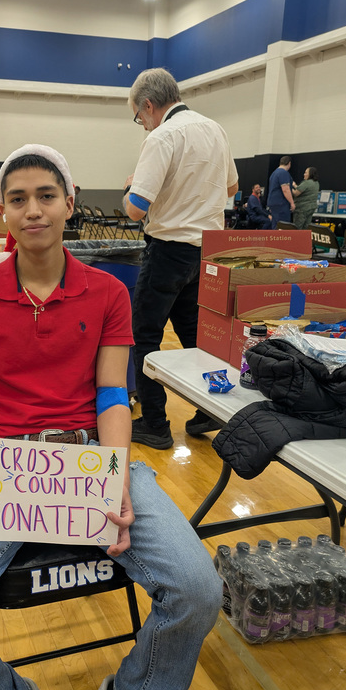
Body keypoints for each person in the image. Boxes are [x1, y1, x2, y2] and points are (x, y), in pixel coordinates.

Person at [0, 144, 222, 690]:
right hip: (3, 468)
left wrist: (118, 473)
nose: (33, 211)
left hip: (94, 459)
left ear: (70, 204)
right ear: (4, 211)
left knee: (199, 589)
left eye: (46, 196)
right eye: (18, 199)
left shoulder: (108, 294)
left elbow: (111, 397)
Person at [124, 68, 239, 449]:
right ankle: (209, 409)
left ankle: (156, 424)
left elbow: (136, 209)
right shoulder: (216, 129)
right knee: (195, 336)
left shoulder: (163, 136)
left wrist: (131, 189)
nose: (142, 125)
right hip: (208, 252)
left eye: (139, 117)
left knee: (144, 335)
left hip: (169, 250)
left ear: (149, 105)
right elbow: (232, 186)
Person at [267, 156, 295, 227]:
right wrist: (292, 203)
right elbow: (285, 190)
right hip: (281, 204)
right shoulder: (283, 173)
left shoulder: (274, 173)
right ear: (289, 163)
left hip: (273, 203)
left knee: (275, 226)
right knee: (283, 227)